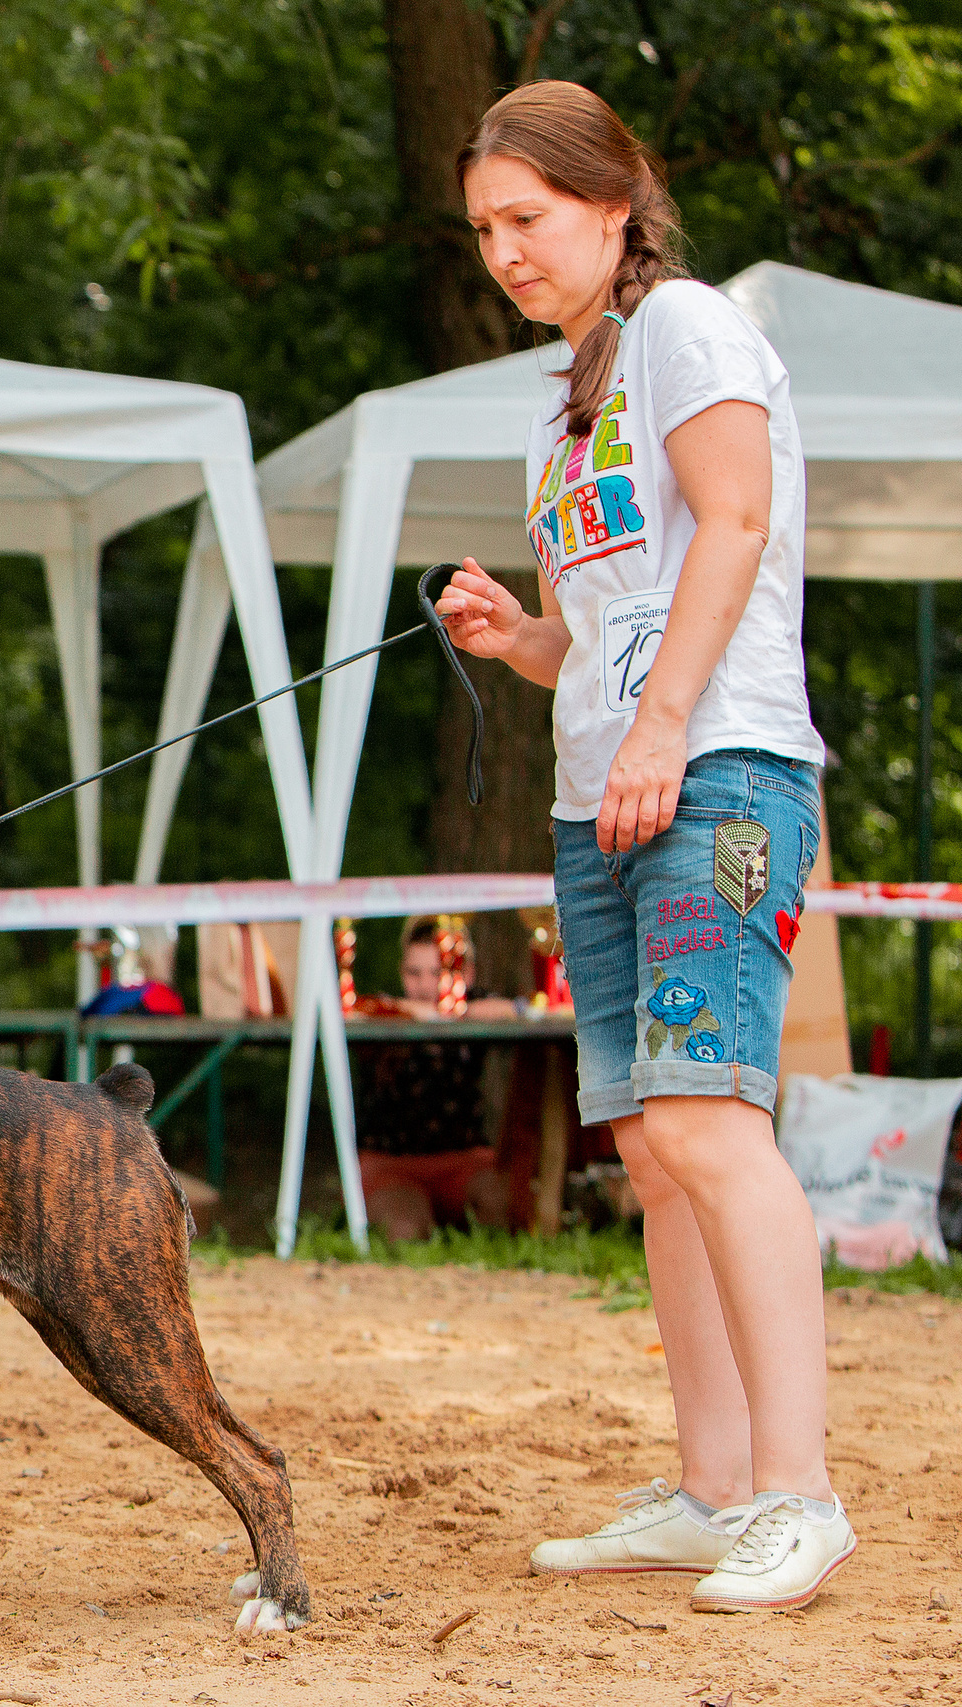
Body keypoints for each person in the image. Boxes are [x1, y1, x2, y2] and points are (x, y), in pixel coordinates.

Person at [439, 82, 847, 1610]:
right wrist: (519, 636)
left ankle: (801, 1494)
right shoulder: (563, 398)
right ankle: (714, 1485)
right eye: (484, 229)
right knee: (654, 1149)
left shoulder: (693, 331)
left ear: (614, 206)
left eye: (528, 221)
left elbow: (733, 527)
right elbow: (603, 625)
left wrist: (672, 725)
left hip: (721, 769)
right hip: (600, 788)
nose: (505, 252)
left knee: (711, 1121)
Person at [353, 918, 516, 1240]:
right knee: (405, 1231)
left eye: (437, 972)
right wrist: (415, 1014)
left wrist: (448, 1013)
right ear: (402, 973)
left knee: (504, 1208)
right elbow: (359, 1011)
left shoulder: (474, 1005)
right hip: (392, 1166)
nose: (426, 985)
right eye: (414, 973)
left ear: (464, 973)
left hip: (466, 1161)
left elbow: (514, 1009)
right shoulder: (383, 1013)